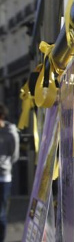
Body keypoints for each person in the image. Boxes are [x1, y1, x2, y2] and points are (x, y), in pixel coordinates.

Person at [0, 104, 19, 242]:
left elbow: (14, 154)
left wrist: (5, 165)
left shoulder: (10, 131)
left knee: (1, 213)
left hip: (3, 176)